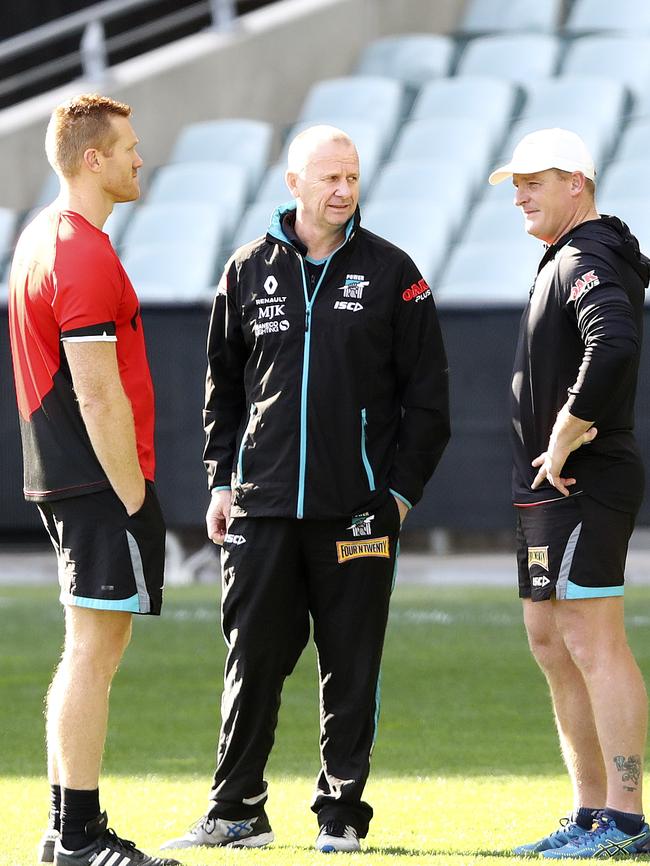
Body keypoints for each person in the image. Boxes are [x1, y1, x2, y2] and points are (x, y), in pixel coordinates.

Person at [161, 124, 450, 854]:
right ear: (293, 184)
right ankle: (237, 810)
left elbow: (430, 404)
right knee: (251, 659)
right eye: (329, 178)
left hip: (357, 513)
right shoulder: (245, 270)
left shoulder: (395, 274)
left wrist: (400, 497)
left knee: (350, 668)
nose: (343, 191)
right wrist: (219, 482)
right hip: (259, 510)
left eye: (351, 177)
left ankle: (342, 813)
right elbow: (221, 393)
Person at [8, 94, 180, 866]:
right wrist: (135, 496)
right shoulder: (78, 249)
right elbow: (96, 389)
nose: (140, 157)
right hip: (96, 483)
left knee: (86, 649)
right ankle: (78, 835)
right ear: (92, 159)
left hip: (69, 479)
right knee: (92, 653)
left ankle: (63, 830)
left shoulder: (38, 237)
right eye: (129, 146)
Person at [488, 127, 650, 859]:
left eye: (534, 181)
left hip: (586, 476)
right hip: (549, 489)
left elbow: (612, 343)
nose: (520, 195)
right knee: (552, 641)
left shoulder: (587, 256)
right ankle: (588, 813)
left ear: (575, 183)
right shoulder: (564, 257)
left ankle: (624, 817)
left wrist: (566, 430)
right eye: (515, 183)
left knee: (590, 637)